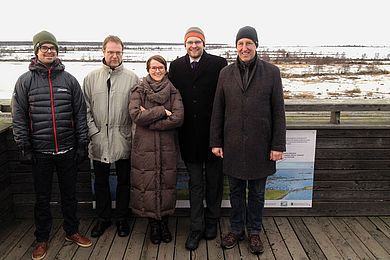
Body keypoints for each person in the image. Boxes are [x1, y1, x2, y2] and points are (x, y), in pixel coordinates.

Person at [11, 30, 92, 260]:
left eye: (52, 48)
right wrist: (24, 146)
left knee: (70, 194)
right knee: (42, 197)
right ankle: (42, 238)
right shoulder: (25, 81)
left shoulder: (69, 80)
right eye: (44, 48)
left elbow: (80, 113)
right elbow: (19, 116)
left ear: (57, 52)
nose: (49, 51)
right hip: (40, 152)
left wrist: (82, 143)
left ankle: (72, 231)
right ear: (36, 51)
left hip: (67, 149)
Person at [210, 26, 286, 255]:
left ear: (256, 46)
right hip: (232, 145)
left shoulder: (272, 72)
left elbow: (278, 112)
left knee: (257, 193)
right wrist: (216, 141)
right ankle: (236, 229)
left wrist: (277, 145)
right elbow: (218, 110)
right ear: (236, 47)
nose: (244, 48)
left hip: (260, 146)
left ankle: (253, 231)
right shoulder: (225, 73)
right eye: (240, 44)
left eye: (248, 43)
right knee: (234, 192)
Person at [168, 27, 227, 250]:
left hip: (214, 136)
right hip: (188, 136)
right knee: (195, 184)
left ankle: (212, 222)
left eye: (198, 42)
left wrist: (221, 134)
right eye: (190, 42)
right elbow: (170, 94)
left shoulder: (218, 64)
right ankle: (196, 227)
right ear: (185, 44)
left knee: (214, 182)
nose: (194, 46)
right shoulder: (176, 66)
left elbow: (225, 97)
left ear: (204, 43)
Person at [82, 35, 139, 238]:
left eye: (118, 52)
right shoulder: (90, 78)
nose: (114, 56)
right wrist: (93, 133)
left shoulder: (132, 78)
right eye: (110, 52)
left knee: (124, 181)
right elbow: (85, 110)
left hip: (123, 138)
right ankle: (103, 218)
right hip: (99, 140)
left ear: (122, 53)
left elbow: (136, 112)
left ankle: (122, 218)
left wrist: (132, 136)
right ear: (103, 52)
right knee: (101, 181)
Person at [129, 55, 184, 244]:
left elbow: (178, 118)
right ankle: (153, 225)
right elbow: (136, 115)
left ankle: (164, 224)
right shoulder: (139, 89)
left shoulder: (174, 91)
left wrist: (150, 120)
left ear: (165, 69)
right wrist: (161, 112)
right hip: (144, 148)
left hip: (167, 146)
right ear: (148, 69)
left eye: (160, 67)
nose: (157, 71)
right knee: (148, 185)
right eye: (153, 68)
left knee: (166, 184)